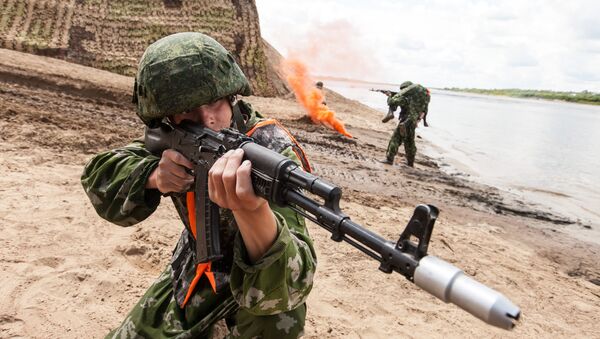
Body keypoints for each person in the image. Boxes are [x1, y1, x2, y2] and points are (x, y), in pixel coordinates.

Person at [81, 32, 316, 338]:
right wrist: (154, 176)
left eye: (214, 102)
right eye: (188, 111)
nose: (207, 120)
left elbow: (292, 282)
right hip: (195, 270)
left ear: (231, 95)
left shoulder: (273, 154)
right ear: (165, 120)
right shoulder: (174, 140)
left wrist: (252, 212)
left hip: (259, 287)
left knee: (276, 319)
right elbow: (98, 176)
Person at [380, 81, 430, 167]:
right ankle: (410, 162)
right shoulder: (422, 99)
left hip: (405, 120)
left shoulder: (405, 99)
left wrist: (389, 96)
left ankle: (389, 159)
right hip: (413, 121)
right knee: (410, 142)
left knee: (395, 139)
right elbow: (424, 111)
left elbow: (392, 102)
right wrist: (418, 121)